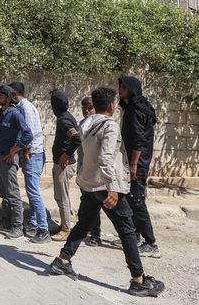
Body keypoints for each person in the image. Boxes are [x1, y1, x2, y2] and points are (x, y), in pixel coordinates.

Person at [49, 87, 165, 298]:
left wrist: (66, 155)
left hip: (89, 184)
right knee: (127, 230)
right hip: (105, 186)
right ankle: (138, 280)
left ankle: (63, 260)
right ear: (111, 106)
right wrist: (113, 188)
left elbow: (78, 144)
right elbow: (105, 158)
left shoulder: (86, 123)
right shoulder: (109, 125)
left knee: (84, 223)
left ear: (95, 105)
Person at [118, 76, 160, 258]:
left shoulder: (137, 109)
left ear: (132, 89)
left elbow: (139, 139)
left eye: (124, 87)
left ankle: (151, 243)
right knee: (130, 199)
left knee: (137, 200)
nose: (120, 89)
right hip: (132, 161)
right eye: (120, 86)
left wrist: (134, 164)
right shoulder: (134, 107)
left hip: (137, 164)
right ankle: (134, 235)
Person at [0, 85, 32, 240]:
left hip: (9, 158)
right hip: (0, 156)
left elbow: (28, 135)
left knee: (13, 193)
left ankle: (17, 226)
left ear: (8, 98)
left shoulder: (15, 114)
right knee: (4, 193)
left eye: (0, 95)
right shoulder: (1, 113)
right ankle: (6, 220)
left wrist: (14, 150)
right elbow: (0, 137)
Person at [9, 82, 49, 243]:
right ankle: (33, 223)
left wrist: (25, 151)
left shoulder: (26, 108)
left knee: (33, 192)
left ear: (14, 94)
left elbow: (29, 133)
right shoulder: (22, 107)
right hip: (31, 153)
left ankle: (43, 229)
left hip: (33, 154)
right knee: (32, 191)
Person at [50, 90, 81, 242]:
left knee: (62, 198)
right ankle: (64, 224)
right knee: (61, 196)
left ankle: (66, 229)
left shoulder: (64, 120)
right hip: (61, 163)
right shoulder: (65, 117)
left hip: (63, 165)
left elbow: (76, 139)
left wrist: (66, 155)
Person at [77, 97, 102, 247]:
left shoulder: (101, 125)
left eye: (90, 108)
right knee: (87, 202)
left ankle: (96, 235)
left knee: (95, 204)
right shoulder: (82, 124)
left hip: (96, 172)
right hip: (83, 170)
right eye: (84, 108)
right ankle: (86, 231)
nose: (86, 111)